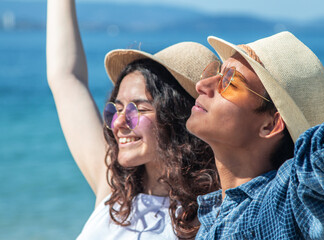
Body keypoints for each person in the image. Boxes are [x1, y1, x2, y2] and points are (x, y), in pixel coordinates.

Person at [46, 0, 219, 239]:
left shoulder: (212, 218)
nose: (117, 124)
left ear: (175, 115)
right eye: (116, 109)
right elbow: (65, 77)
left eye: (137, 109)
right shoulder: (116, 194)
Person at [186, 31, 324, 239]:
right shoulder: (211, 214)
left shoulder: (285, 201)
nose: (201, 85)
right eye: (216, 73)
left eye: (230, 82)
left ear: (270, 125)